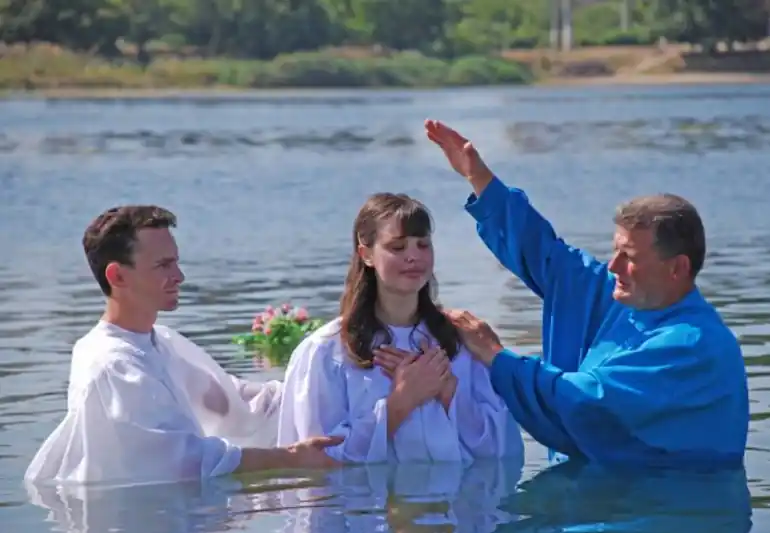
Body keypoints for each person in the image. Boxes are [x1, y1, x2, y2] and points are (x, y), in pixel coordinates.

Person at [423, 119, 749, 469]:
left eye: (631, 257)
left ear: (677, 268)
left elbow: (587, 400)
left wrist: (494, 354)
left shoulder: (694, 347)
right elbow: (550, 258)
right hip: (600, 492)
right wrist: (481, 180)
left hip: (664, 509)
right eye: (615, 251)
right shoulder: (625, 299)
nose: (613, 266)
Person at [24, 205, 342, 486]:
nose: (180, 276)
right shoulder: (113, 363)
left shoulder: (160, 341)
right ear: (118, 276)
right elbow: (181, 463)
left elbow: (233, 402)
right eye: (163, 265)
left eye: (175, 262)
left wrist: (332, 382)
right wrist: (288, 458)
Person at [275, 193, 524, 463]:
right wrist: (401, 402)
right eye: (398, 247)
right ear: (366, 254)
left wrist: (449, 392)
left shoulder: (460, 341)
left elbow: (504, 453)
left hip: (456, 503)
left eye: (423, 245)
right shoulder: (326, 352)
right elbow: (312, 463)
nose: (413, 257)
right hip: (369, 504)